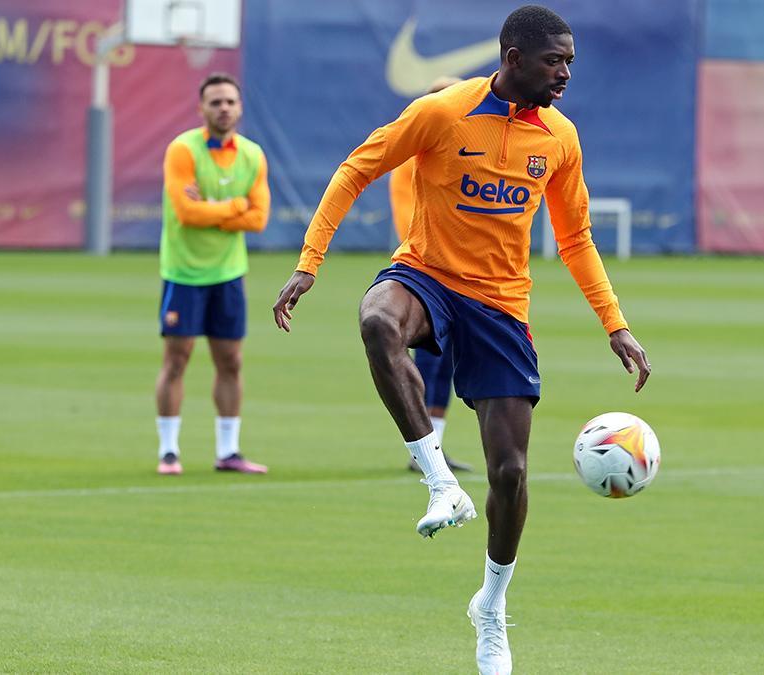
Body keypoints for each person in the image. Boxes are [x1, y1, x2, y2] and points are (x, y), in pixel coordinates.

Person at [273, 6, 650, 673]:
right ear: (512, 57)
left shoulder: (560, 138)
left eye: (569, 62)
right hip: (427, 275)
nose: (565, 73)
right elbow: (355, 169)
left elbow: (575, 238)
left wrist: (615, 323)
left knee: (510, 473)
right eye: (553, 61)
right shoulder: (443, 112)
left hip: (501, 305)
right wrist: (309, 263)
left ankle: (492, 607)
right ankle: (439, 478)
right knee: (376, 320)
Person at [155, 72, 271, 476]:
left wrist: (217, 209)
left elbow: (258, 219)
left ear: (240, 108)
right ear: (201, 108)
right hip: (184, 272)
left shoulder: (252, 154)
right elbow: (186, 214)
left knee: (231, 361)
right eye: (215, 102)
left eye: (230, 102)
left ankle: (228, 451)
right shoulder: (183, 150)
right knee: (176, 359)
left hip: (228, 273)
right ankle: (169, 451)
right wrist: (234, 207)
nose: (223, 108)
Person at [388, 75, 472, 474]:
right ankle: (422, 448)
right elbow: (412, 221)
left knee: (449, 363)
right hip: (426, 275)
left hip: (465, 276)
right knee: (429, 362)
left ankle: (434, 447)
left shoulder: (466, 157)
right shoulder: (412, 160)